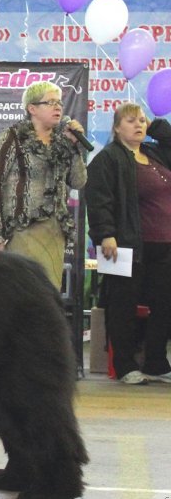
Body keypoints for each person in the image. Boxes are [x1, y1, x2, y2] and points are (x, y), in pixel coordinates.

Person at [86, 103, 171, 385]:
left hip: (164, 246)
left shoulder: (154, 153)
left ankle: (156, 363)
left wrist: (157, 126)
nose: (139, 125)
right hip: (127, 246)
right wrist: (105, 234)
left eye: (142, 121)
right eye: (131, 120)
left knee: (165, 304)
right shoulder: (108, 158)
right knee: (123, 305)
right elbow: (98, 198)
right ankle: (124, 365)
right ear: (116, 127)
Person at [0, 81, 88, 290]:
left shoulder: (62, 140)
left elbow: (79, 181)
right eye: (50, 102)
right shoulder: (12, 137)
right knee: (23, 292)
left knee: (49, 293)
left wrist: (74, 146)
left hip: (55, 230)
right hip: (22, 230)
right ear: (32, 108)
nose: (57, 107)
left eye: (59, 102)